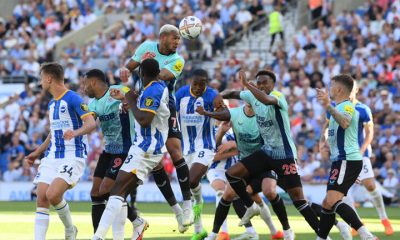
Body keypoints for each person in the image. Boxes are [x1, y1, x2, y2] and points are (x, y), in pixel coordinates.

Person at [221, 70, 321, 235]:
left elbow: (266, 99)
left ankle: (322, 234)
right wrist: (217, 96)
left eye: (264, 83)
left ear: (272, 84)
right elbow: (231, 93)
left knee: (298, 200)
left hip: (285, 155)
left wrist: (247, 85)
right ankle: (252, 207)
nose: (261, 86)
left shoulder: (277, 96)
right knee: (232, 174)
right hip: (267, 153)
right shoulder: (253, 96)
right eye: (258, 83)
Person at [119, 24, 193, 225]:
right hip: (144, 104)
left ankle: (188, 204)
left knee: (175, 151)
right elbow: (129, 67)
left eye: (179, 39)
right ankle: (176, 210)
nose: (178, 42)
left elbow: (160, 76)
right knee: (156, 162)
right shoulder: (146, 48)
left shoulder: (177, 60)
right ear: (163, 37)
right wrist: (125, 73)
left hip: (166, 105)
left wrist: (144, 67)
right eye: (175, 38)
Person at [92, 58, 170, 240]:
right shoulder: (148, 90)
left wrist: (128, 98)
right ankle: (133, 225)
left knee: (115, 190)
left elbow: (143, 118)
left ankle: (99, 237)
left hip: (142, 148)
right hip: (136, 147)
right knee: (117, 191)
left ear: (141, 74)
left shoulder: (151, 90)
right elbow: (136, 103)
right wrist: (128, 99)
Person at [25, 62, 96, 240]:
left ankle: (70, 229)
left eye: (42, 78)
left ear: (49, 78)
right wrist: (37, 152)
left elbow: (91, 124)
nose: (41, 82)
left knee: (53, 194)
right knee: (41, 197)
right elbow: (53, 132)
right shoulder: (51, 104)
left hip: (73, 155)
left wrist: (75, 133)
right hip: (51, 156)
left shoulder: (73, 98)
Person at [202, 103, 285, 240]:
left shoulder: (233, 128)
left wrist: (232, 145)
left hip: (235, 167)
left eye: (223, 110)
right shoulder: (208, 131)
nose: (221, 113)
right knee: (222, 192)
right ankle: (223, 232)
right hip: (215, 168)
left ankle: (273, 231)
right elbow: (212, 156)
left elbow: (244, 147)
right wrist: (228, 145)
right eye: (218, 111)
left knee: (254, 198)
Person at [322, 80, 393, 236]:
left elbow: (369, 132)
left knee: (369, 185)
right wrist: (323, 140)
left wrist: (362, 150)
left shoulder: (363, 109)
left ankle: (383, 219)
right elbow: (328, 125)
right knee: (339, 195)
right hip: (342, 156)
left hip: (358, 153)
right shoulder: (336, 107)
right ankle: (356, 225)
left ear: (355, 90)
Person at [316, 74, 377, 240]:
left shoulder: (347, 107)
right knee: (327, 204)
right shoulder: (338, 107)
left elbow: (345, 123)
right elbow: (333, 129)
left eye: (331, 86)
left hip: (346, 160)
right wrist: (324, 142)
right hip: (342, 161)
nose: (329, 90)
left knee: (332, 200)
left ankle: (366, 235)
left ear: (339, 89)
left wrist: (328, 105)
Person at [175, 69, 229, 240]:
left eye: (202, 84)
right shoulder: (180, 94)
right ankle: (199, 230)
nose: (198, 87)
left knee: (191, 180)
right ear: (190, 81)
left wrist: (207, 113)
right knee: (193, 187)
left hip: (205, 145)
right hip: (185, 148)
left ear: (207, 82)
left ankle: (188, 211)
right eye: (195, 83)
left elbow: (226, 114)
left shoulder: (213, 96)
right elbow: (170, 114)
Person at [82, 69, 136, 237]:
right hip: (108, 151)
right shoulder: (93, 104)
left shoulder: (117, 90)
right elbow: (90, 124)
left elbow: (136, 99)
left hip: (125, 149)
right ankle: (98, 233)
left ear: (93, 83)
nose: (84, 89)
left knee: (107, 189)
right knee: (96, 193)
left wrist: (127, 89)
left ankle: (136, 221)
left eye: (85, 84)